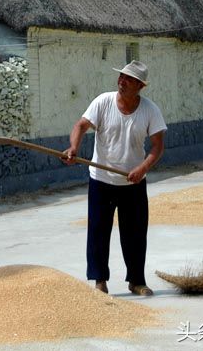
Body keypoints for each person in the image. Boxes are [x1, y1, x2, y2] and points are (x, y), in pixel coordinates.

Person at [61, 60, 166, 296]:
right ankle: (99, 281)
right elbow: (81, 126)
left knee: (135, 233)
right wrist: (73, 148)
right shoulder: (103, 102)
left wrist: (142, 168)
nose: (122, 81)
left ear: (140, 86)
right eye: (121, 77)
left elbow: (158, 146)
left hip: (133, 182)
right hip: (101, 180)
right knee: (98, 231)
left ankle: (136, 281)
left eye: (129, 79)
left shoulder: (150, 110)